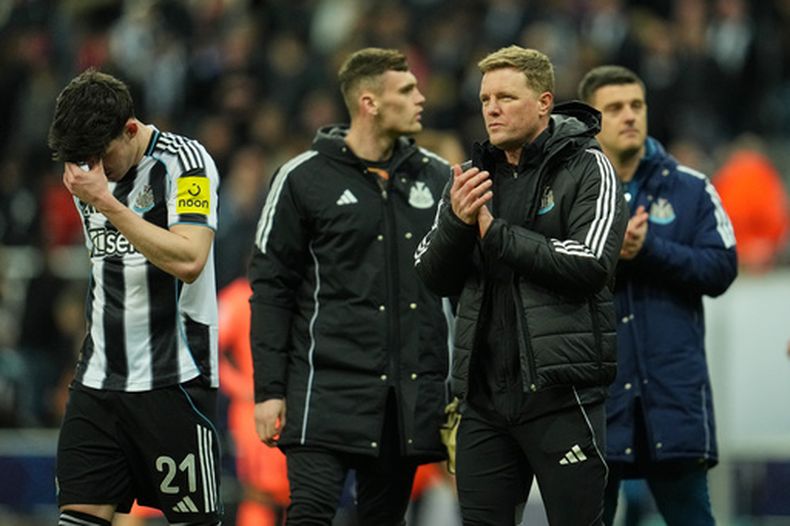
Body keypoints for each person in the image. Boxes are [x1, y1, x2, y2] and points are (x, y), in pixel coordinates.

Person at [414, 45, 627, 525]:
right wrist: (457, 223)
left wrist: (497, 234)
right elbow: (431, 273)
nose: (491, 108)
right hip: (484, 402)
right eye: (486, 98)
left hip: (561, 397)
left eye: (506, 97)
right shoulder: (472, 179)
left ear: (545, 102)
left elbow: (592, 263)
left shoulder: (589, 166)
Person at [249, 47, 452, 525]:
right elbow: (272, 289)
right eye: (406, 90)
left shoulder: (438, 177)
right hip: (323, 391)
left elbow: (462, 288)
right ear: (369, 102)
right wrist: (268, 391)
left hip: (402, 399)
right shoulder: (301, 179)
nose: (421, 98)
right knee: (309, 517)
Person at [48, 69, 222, 526]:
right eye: (84, 162)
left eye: (102, 158)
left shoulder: (187, 163)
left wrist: (107, 204)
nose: (93, 172)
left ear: (130, 130)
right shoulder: (87, 172)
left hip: (175, 380)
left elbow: (189, 259)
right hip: (99, 382)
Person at [577, 64, 738, 525]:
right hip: (596, 396)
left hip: (672, 396)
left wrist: (649, 250)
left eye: (636, 105)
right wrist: (609, 255)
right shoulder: (567, 191)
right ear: (592, 119)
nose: (629, 116)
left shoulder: (690, 188)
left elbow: (723, 267)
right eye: (614, 108)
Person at [218, 277, 290, 526]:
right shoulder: (238, 296)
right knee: (258, 492)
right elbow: (207, 347)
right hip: (252, 411)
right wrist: (241, 388)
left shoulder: (301, 293)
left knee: (300, 493)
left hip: (296, 406)